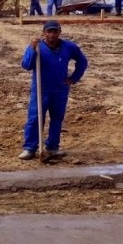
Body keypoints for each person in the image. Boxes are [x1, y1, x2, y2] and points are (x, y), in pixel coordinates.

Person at [19, 20, 88, 160]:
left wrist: (73, 78)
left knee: (57, 119)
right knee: (35, 118)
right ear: (44, 33)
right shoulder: (37, 46)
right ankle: (30, 148)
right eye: (49, 32)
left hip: (60, 90)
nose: (52, 35)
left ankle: (52, 147)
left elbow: (82, 62)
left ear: (59, 32)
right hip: (40, 89)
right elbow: (26, 65)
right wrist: (32, 49)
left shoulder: (69, 47)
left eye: (55, 31)